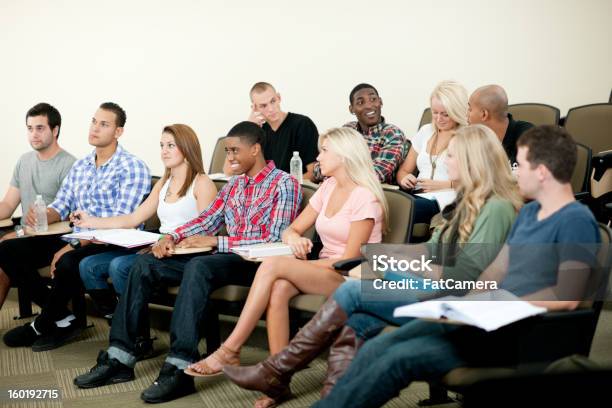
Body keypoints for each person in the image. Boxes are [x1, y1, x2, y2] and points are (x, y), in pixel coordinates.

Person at [295, 125, 600, 408]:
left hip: (518, 336)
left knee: (397, 358)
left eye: (520, 165)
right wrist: (467, 302)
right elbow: (495, 271)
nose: (514, 172)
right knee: (378, 347)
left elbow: (568, 295)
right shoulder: (531, 213)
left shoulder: (575, 220)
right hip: (483, 323)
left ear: (543, 172)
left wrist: (499, 304)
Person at [222, 124, 523, 404]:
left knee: (353, 294)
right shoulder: (465, 203)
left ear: (473, 161)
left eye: (452, 155)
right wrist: (382, 260)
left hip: (456, 301)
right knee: (359, 321)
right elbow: (430, 251)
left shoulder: (495, 207)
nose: (446, 160)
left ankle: (276, 369)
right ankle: (326, 396)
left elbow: (463, 276)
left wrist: (384, 265)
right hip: (436, 289)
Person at [73, 121, 302, 404]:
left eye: (234, 151)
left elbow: (271, 240)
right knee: (141, 264)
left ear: (255, 150)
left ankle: (180, 365)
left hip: (258, 262)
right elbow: (206, 219)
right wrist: (173, 236)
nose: (228, 157)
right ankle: (120, 357)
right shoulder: (234, 185)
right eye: (227, 151)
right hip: (227, 256)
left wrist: (215, 242)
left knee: (199, 266)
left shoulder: (284, 183)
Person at [187, 126, 389, 407]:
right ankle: (277, 383)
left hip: (356, 276)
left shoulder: (364, 197)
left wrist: (301, 255)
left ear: (344, 156)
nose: (318, 156)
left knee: (271, 266)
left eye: (325, 151)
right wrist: (296, 241)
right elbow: (291, 229)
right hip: (326, 267)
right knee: (279, 288)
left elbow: (351, 260)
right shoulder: (328, 187)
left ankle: (230, 349)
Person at [2, 102, 150, 351]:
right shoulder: (81, 166)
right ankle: (62, 317)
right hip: (76, 237)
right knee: (7, 249)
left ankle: (43, 323)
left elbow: (121, 222)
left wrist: (74, 244)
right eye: (94, 121)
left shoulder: (132, 167)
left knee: (68, 261)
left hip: (109, 241)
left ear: (118, 132)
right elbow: (61, 204)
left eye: (104, 124)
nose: (95, 128)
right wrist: (43, 214)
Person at [73, 124, 217, 318]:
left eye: (171, 145)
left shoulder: (202, 183)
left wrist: (168, 241)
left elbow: (206, 232)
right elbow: (134, 218)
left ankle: (136, 333)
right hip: (158, 244)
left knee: (119, 266)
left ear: (187, 147)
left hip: (183, 252)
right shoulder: (164, 183)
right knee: (88, 266)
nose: (164, 151)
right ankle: (118, 319)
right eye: (162, 145)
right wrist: (91, 221)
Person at [0, 103, 76, 310]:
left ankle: (55, 312)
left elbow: (67, 218)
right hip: (24, 235)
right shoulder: (24, 161)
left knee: (5, 250)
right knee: (5, 252)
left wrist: (20, 233)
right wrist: (19, 232)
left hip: (52, 238)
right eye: (30, 128)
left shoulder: (70, 165)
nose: (34, 134)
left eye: (40, 128)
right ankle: (56, 312)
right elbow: (7, 205)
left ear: (55, 130)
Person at [396, 80, 468, 227]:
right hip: (416, 194)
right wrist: (404, 179)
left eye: (445, 114)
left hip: (445, 198)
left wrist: (444, 185)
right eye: (435, 112)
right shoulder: (425, 131)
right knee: (381, 201)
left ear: (457, 111)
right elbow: (403, 171)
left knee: (403, 210)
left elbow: (480, 182)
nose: (438, 119)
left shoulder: (468, 137)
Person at [314, 83, 407, 185]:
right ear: (351, 109)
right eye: (360, 102)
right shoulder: (348, 129)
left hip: (376, 193)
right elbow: (319, 169)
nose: (368, 105)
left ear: (380, 102)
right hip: (340, 188)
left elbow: (377, 174)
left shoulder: (392, 133)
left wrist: (336, 174)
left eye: (373, 99)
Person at [244, 82, 319, 180]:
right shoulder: (258, 132)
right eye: (263, 106)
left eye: (273, 101)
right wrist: (249, 127)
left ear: (279, 98)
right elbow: (236, 169)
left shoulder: (302, 124)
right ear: (255, 108)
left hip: (294, 190)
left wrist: (280, 187)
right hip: (267, 191)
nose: (271, 109)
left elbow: (313, 173)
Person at [467, 84, 534, 167]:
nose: (467, 114)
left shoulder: (528, 137)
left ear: (484, 114)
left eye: (470, 109)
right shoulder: (478, 141)